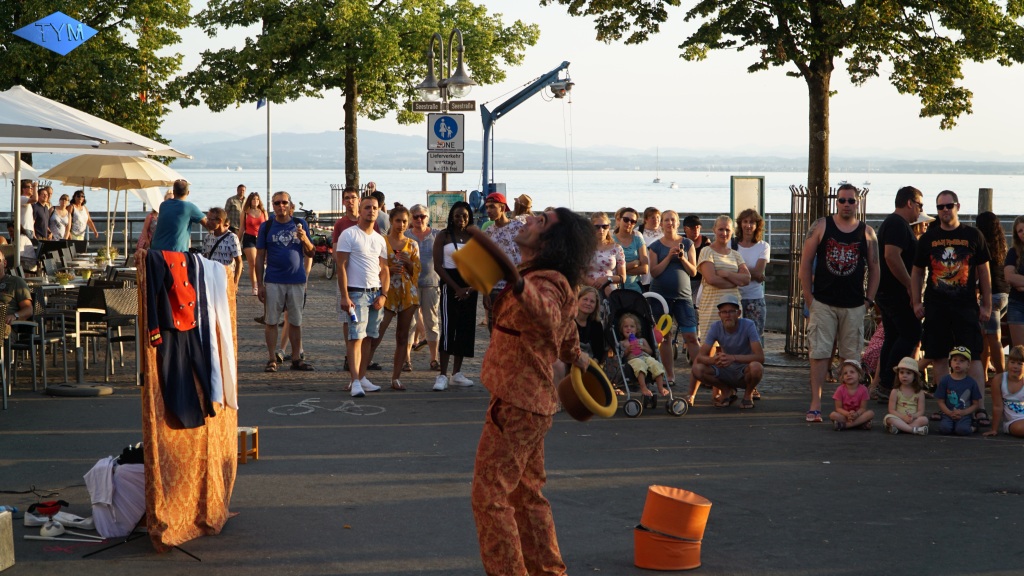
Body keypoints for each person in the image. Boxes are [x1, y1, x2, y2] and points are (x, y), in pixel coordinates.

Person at [470, 206, 596, 576]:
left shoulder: (545, 282)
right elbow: (566, 332)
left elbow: (549, 316)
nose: (528, 220)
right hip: (531, 405)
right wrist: (578, 358)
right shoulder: (550, 277)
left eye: (540, 221)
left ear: (549, 241)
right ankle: (549, 571)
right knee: (526, 496)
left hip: (516, 404)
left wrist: (519, 283)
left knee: (490, 496)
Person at [799, 184, 880, 423]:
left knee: (850, 356)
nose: (846, 204)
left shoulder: (867, 233)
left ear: (857, 203)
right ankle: (815, 403)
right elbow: (805, 262)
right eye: (842, 200)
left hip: (854, 304)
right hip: (823, 301)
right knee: (819, 353)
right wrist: (809, 298)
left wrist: (869, 300)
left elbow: (875, 268)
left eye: (851, 201)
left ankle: (848, 405)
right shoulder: (822, 226)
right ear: (837, 201)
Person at [911, 190, 992, 427]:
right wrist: (916, 302)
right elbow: (917, 271)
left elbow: (984, 273)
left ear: (957, 206)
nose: (945, 211)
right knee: (938, 354)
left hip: (965, 304)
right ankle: (946, 406)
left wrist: (986, 304)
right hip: (936, 304)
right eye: (940, 207)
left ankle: (979, 408)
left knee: (974, 354)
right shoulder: (928, 238)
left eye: (949, 206)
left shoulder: (973, 235)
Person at [874, 186, 925, 402]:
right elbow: (891, 256)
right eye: (920, 205)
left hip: (886, 292)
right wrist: (909, 286)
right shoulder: (896, 224)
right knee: (912, 333)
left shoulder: (897, 224)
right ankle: (887, 381)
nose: (921, 210)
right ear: (909, 203)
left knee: (893, 336)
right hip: (894, 292)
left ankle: (885, 384)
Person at [256, 191, 315, 372]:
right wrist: (260, 284)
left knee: (296, 321)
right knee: (271, 321)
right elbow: (259, 257)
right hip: (274, 280)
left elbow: (312, 252)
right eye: (277, 203)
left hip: (296, 280)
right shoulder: (266, 226)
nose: (281, 206)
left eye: (284, 202)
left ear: (290, 205)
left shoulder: (300, 224)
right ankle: (272, 358)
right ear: (272, 206)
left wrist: (304, 238)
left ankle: (296, 358)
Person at [336, 195, 390, 396]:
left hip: (375, 293)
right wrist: (344, 295)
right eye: (367, 207)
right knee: (355, 338)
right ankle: (354, 380)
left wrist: (384, 294)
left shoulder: (379, 239)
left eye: (374, 207)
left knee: (369, 338)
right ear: (360, 210)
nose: (371, 211)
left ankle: (363, 376)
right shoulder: (349, 235)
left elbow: (384, 269)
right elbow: (341, 266)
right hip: (356, 293)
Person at [366, 206, 419, 391]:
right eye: (398, 221)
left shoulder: (412, 244)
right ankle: (361, 374)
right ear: (391, 221)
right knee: (375, 334)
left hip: (407, 294)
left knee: (402, 336)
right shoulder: (382, 241)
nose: (401, 225)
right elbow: (374, 265)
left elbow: (417, 273)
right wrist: (388, 268)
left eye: (405, 221)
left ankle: (396, 377)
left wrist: (409, 263)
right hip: (386, 292)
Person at [647, 210, 699, 390]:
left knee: (691, 336)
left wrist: (683, 258)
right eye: (666, 220)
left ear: (678, 223)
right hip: (660, 298)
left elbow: (693, 272)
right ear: (661, 224)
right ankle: (670, 374)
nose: (669, 223)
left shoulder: (687, 243)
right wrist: (669, 257)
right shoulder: (655, 246)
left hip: (683, 297)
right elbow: (654, 272)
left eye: (673, 220)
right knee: (665, 337)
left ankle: (701, 374)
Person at [432, 202, 478, 391]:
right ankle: (442, 374)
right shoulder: (443, 236)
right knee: (449, 328)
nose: (461, 219)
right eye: (458, 215)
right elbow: (438, 266)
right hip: (450, 285)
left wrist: (471, 288)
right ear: (452, 216)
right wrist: (456, 288)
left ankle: (456, 373)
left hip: (470, 286)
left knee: (465, 329)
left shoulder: (473, 237)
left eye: (465, 216)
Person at [690, 294, 764, 409]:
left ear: (738, 313)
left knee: (756, 367)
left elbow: (760, 357)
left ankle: (748, 394)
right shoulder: (715, 327)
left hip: (744, 370)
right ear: (719, 314)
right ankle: (726, 390)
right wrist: (714, 360)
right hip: (725, 369)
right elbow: (700, 357)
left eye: (731, 312)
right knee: (697, 368)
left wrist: (733, 358)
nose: (727, 315)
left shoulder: (749, 325)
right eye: (724, 312)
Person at [696, 214, 750, 341]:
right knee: (709, 348)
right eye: (721, 229)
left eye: (727, 230)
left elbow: (747, 278)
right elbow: (711, 279)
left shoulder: (736, 255)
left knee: (734, 345)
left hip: (733, 308)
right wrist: (736, 281)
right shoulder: (707, 251)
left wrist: (727, 274)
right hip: (712, 308)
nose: (724, 233)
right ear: (714, 230)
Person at [406, 204, 441, 371]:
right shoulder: (406, 236)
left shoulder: (436, 235)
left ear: (428, 218)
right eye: (416, 217)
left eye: (422, 216)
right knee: (409, 324)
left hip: (431, 284)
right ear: (411, 219)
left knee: (432, 322)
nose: (419, 219)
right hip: (409, 285)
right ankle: (406, 359)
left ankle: (434, 359)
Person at [482, 192, 523, 329]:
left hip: (516, 286)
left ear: (503, 207)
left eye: (492, 207)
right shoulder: (488, 232)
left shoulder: (519, 228)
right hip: (495, 288)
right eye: (487, 207)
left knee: (515, 326)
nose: (489, 211)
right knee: (494, 328)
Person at [976, 211, 1009, 377]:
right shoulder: (1001, 245)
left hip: (991, 295)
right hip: (1005, 294)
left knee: (993, 337)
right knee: (986, 338)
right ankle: (983, 376)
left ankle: (1001, 375)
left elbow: (978, 273)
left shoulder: (982, 246)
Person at [554, 285, 607, 384]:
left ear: (596, 305)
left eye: (592, 301)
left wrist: (592, 364)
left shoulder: (596, 325)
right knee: (558, 365)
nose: (588, 303)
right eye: (585, 299)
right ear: (577, 300)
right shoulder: (567, 320)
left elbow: (599, 352)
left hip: (588, 361)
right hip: (568, 357)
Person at [734, 208, 770, 342]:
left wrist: (738, 271)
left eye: (752, 222)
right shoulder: (732, 245)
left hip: (754, 298)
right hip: (735, 297)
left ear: (757, 226)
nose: (748, 225)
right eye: (745, 221)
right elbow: (726, 269)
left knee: (755, 336)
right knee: (736, 337)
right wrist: (751, 273)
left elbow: (758, 272)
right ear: (740, 224)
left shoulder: (763, 246)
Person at [618, 312, 670, 398]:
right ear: (621, 329)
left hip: (646, 357)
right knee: (639, 364)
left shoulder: (642, 340)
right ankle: (643, 387)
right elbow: (622, 356)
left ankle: (660, 387)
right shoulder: (622, 343)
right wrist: (627, 350)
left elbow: (650, 351)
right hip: (633, 360)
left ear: (636, 329)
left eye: (632, 326)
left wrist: (643, 347)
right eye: (626, 326)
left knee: (656, 364)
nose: (629, 328)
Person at [935, 346, 981, 436]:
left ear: (968, 364)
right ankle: (953, 425)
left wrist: (964, 412)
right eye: (955, 360)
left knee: (962, 430)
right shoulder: (945, 380)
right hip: (948, 413)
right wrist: (949, 413)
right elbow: (940, 401)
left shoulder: (971, 383)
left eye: (962, 361)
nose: (957, 363)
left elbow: (976, 403)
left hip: (964, 414)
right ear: (950, 362)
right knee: (944, 429)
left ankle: (973, 427)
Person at [150, 179, 207, 252]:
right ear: (188, 192)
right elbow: (208, 224)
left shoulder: (163, 205)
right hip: (175, 253)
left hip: (156, 251)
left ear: (173, 192)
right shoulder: (189, 207)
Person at [984, 345, 1024, 438]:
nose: (1015, 366)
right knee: (1021, 428)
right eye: (1012, 362)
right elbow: (997, 406)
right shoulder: (999, 379)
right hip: (1013, 422)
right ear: (1008, 362)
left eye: (1019, 364)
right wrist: (994, 429)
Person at [883, 356, 930, 435]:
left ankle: (900, 428)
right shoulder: (895, 391)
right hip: (899, 418)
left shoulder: (919, 392)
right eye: (901, 372)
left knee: (924, 419)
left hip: (913, 419)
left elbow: (921, 411)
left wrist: (913, 417)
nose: (904, 375)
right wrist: (903, 417)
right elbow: (891, 410)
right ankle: (913, 430)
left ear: (915, 376)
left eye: (908, 373)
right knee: (889, 418)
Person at [586, 212, 626, 298]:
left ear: (609, 227)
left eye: (605, 226)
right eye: (597, 227)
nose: (601, 230)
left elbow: (622, 277)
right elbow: (579, 274)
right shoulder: (584, 248)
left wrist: (607, 279)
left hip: (610, 291)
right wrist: (598, 285)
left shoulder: (617, 248)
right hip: (588, 291)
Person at [202, 207, 244, 286]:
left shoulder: (232, 238)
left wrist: (235, 282)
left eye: (211, 220)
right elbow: (204, 258)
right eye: (207, 219)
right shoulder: (208, 237)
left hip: (226, 279)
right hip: (210, 279)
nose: (207, 222)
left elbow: (239, 261)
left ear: (220, 221)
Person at [829, 359, 876, 431]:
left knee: (871, 413)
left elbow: (863, 408)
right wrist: (848, 414)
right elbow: (838, 408)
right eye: (845, 373)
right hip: (845, 416)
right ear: (842, 377)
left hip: (858, 415)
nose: (848, 374)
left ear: (859, 375)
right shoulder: (840, 389)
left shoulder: (863, 389)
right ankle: (860, 424)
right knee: (833, 415)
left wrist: (856, 414)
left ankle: (845, 426)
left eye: (852, 372)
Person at [613, 206, 648, 293]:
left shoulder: (638, 240)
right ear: (619, 220)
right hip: (614, 289)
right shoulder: (611, 241)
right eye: (626, 219)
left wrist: (621, 272)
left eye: (632, 221)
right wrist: (633, 264)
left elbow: (644, 269)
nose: (629, 223)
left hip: (635, 289)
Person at [0, 251, 33, 337]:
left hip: (6, 326)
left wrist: (15, 316)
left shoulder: (15, 282)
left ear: (4, 263)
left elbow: (28, 309)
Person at [241, 192, 268, 296]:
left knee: (262, 263)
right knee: (253, 263)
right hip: (249, 238)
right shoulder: (245, 212)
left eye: (257, 199)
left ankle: (262, 283)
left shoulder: (263, 212)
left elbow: (267, 226)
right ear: (250, 201)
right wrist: (237, 240)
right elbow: (242, 228)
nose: (255, 201)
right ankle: (255, 286)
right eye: (253, 199)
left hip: (261, 238)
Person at [682, 214, 712, 302]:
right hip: (685, 279)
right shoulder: (681, 241)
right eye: (692, 228)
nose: (695, 230)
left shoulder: (705, 242)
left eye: (697, 227)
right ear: (685, 229)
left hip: (701, 280)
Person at [1005, 215, 1024, 348]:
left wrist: (1021, 283)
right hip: (1017, 304)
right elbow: (1009, 277)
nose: (1023, 233)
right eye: (1020, 231)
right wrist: (1015, 281)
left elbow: (1015, 278)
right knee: (1020, 351)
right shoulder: (1013, 252)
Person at [638, 207, 663, 292]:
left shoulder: (663, 231)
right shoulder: (638, 231)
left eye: (658, 217)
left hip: (660, 265)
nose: (656, 220)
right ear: (646, 219)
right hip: (644, 267)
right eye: (652, 217)